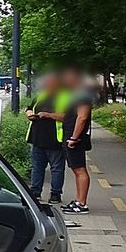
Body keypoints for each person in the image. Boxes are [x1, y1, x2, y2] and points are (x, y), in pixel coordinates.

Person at [23, 72, 69, 203]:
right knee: (37, 167)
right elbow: (29, 108)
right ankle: (35, 192)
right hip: (37, 138)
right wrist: (29, 113)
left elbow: (68, 116)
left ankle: (55, 194)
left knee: (56, 168)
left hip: (55, 140)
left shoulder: (65, 97)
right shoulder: (41, 96)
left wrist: (48, 115)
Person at [59, 69, 94, 214]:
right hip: (71, 137)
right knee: (76, 169)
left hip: (76, 139)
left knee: (80, 169)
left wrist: (74, 138)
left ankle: (82, 204)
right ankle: (79, 200)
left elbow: (82, 117)